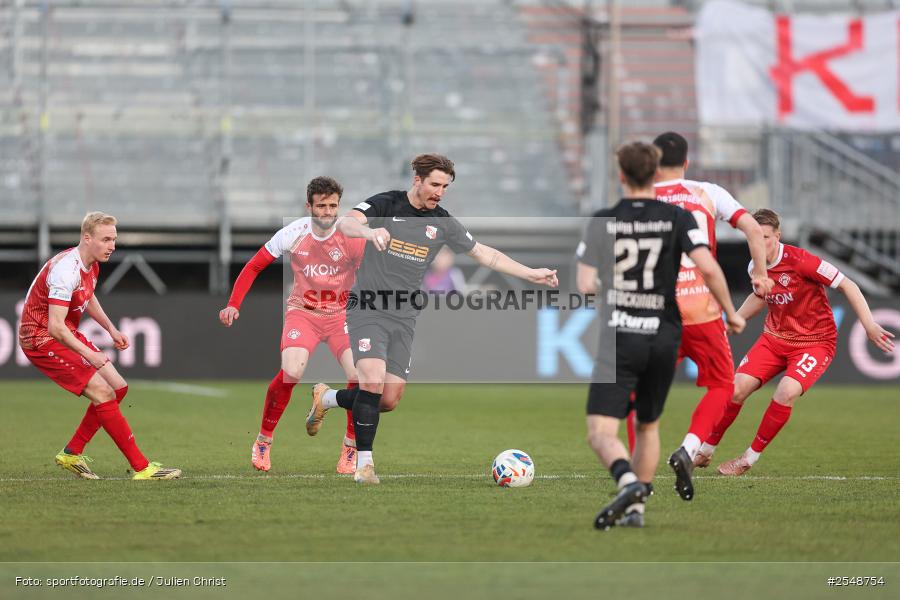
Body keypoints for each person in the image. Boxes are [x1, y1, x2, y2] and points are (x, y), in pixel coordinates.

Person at [305, 153, 559, 485]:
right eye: (435, 184)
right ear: (418, 180)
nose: (439, 191)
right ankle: (364, 466)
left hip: (405, 314)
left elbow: (485, 253)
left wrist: (531, 274)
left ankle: (327, 398)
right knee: (371, 378)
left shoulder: (443, 222)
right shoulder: (387, 203)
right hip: (367, 306)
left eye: (445, 186)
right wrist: (368, 234)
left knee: (388, 399)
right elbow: (347, 222)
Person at [576, 142, 745, 530]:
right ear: (655, 174)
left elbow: (586, 285)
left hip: (623, 334)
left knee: (601, 431)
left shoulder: (603, 219)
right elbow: (710, 268)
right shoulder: (677, 217)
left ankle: (629, 484)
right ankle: (635, 511)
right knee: (648, 425)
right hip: (664, 334)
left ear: (620, 175)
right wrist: (731, 313)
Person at [695, 209, 895, 475]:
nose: (759, 243)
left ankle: (747, 459)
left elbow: (848, 285)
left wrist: (868, 324)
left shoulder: (803, 261)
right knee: (735, 389)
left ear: (777, 235)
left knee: (786, 392)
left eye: (765, 237)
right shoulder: (755, 265)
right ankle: (706, 450)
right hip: (774, 339)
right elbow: (760, 295)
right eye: (753, 237)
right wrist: (737, 318)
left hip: (815, 342)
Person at [650, 131, 774, 501]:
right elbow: (752, 227)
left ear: (654, 162)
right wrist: (760, 272)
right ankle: (688, 449)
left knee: (641, 389)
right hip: (701, 309)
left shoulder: (641, 198)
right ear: (686, 162)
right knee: (722, 385)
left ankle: (629, 472)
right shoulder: (707, 192)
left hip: (657, 311)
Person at [219, 177, 366, 474]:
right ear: (308, 206)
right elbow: (254, 265)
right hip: (304, 312)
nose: (327, 212)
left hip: (341, 316)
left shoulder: (351, 237)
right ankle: (264, 440)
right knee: (292, 371)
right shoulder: (294, 232)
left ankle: (350, 447)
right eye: (321, 205)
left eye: (333, 206)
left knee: (360, 374)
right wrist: (234, 303)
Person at [19, 212, 181, 480]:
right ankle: (142, 468)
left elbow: (88, 296)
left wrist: (111, 328)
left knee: (118, 387)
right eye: (106, 239)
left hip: (61, 331)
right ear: (87, 237)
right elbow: (55, 327)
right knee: (103, 392)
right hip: (38, 337)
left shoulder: (91, 263)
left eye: (114, 239)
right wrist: (88, 353)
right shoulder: (65, 270)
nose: (112, 246)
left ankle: (72, 452)